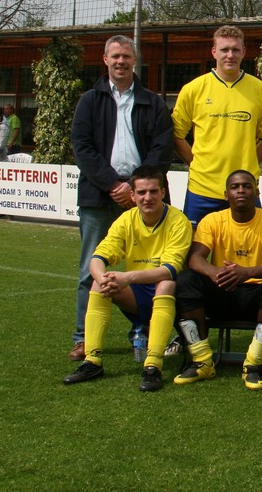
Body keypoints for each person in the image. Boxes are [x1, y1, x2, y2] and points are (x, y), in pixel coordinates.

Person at [69, 34, 173, 362]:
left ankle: (144, 331)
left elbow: (163, 147)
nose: (120, 62)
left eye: (126, 56)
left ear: (135, 60)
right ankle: (83, 338)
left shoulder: (152, 102)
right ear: (105, 59)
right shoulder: (90, 100)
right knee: (91, 268)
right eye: (115, 56)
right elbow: (82, 147)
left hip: (143, 197)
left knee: (148, 267)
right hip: (98, 195)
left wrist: (136, 187)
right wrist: (113, 184)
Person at [62, 166, 192, 391]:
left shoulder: (178, 221)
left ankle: (153, 365)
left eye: (153, 191)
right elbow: (98, 257)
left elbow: (170, 270)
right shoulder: (126, 219)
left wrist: (128, 277)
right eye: (141, 192)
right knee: (98, 284)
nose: (147, 197)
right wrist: (103, 279)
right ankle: (92, 361)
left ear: (163, 192)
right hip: (138, 291)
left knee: (165, 284)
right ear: (132, 195)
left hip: (176, 297)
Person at [172, 170, 262, 390]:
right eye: (235, 187)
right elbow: (195, 258)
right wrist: (214, 272)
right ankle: (201, 361)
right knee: (186, 279)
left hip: (258, 299)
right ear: (226, 194)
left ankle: (254, 364)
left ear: (257, 192)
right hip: (223, 292)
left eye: (246, 186)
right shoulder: (213, 220)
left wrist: (246, 272)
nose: (241, 191)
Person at [172, 25, 262, 226]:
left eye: (235, 50)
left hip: (244, 189)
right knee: (195, 245)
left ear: (243, 52)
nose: (230, 55)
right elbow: (176, 135)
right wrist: (196, 163)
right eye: (224, 49)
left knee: (248, 245)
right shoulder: (193, 89)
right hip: (202, 189)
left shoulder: (260, 91)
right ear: (214, 52)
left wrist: (249, 165)